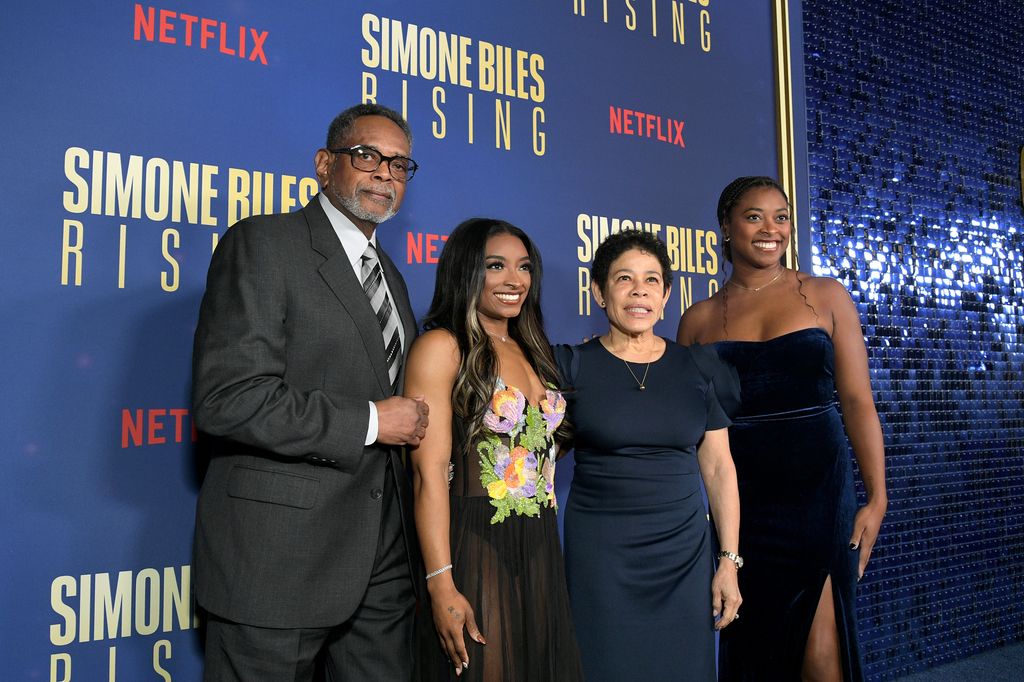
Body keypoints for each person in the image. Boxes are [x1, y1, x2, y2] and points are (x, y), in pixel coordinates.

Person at [191, 103, 429, 681]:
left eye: (400, 165)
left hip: (381, 561)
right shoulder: (264, 244)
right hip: (278, 562)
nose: (385, 174)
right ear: (325, 165)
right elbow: (229, 398)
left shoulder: (389, 274)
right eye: (367, 156)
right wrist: (372, 422)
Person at [677, 176, 887, 681]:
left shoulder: (825, 295)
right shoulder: (697, 321)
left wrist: (876, 498)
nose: (771, 229)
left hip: (819, 489)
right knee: (753, 647)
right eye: (754, 216)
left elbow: (858, 402)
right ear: (725, 228)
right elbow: (689, 431)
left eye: (781, 216)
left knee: (822, 655)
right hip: (741, 500)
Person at [556, 230, 742, 682]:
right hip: (602, 559)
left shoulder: (697, 367)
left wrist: (729, 561)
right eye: (624, 278)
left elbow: (718, 469)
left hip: (682, 557)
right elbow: (535, 460)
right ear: (599, 291)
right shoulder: (570, 366)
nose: (639, 290)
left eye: (652, 280)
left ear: (666, 295)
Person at [405, 218, 584, 681]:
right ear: (467, 271)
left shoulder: (533, 348)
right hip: (475, 544)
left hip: (541, 544)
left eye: (524, 267)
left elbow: (541, 449)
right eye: (496, 266)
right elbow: (428, 474)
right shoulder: (442, 347)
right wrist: (441, 582)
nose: (515, 280)